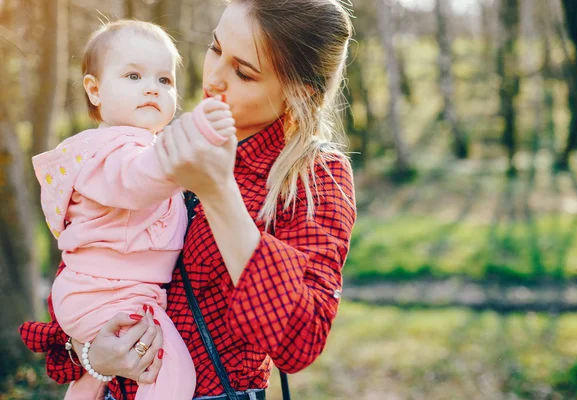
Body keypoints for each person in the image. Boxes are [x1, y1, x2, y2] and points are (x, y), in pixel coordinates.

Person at [20, 1, 357, 399]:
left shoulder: (314, 176)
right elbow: (91, 265)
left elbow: (299, 340)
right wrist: (90, 353)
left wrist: (218, 192)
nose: (213, 78)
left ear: (297, 92)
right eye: (215, 48)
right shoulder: (155, 141)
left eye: (243, 72)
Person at [29, 20, 235, 400]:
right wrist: (196, 142)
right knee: (171, 371)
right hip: (107, 292)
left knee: (101, 375)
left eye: (164, 80)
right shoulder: (110, 150)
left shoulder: (139, 146)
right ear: (95, 90)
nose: (152, 89)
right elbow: (137, 180)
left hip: (111, 291)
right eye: (134, 75)